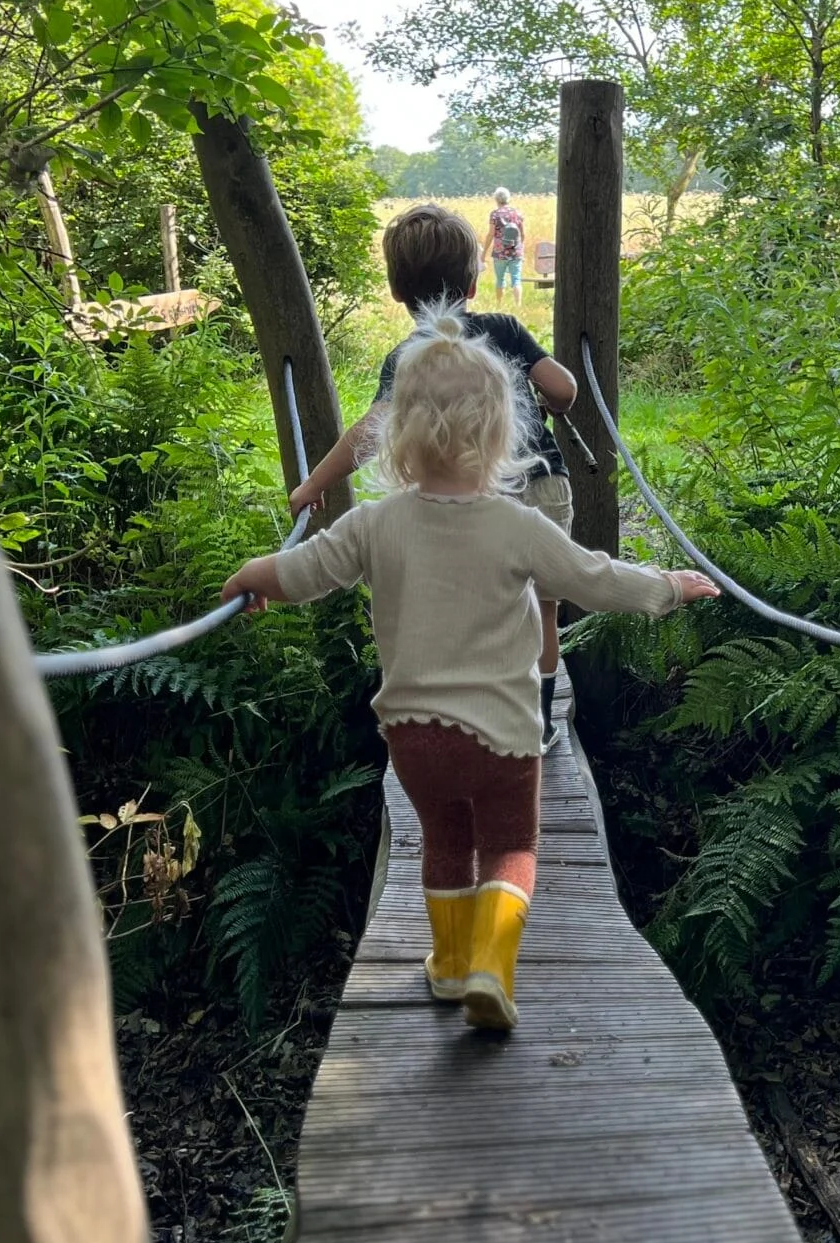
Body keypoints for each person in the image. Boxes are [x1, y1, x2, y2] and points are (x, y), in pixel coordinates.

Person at [221, 311, 718, 1033]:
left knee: (445, 844)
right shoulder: (515, 524)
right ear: (501, 435)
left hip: (415, 740)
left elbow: (304, 571)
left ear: (398, 438)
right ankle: (492, 964)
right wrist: (668, 586)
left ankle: (449, 967)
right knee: (512, 848)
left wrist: (252, 575)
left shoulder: (375, 523)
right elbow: (595, 580)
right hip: (506, 736)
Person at [291, 203, 582, 748]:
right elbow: (564, 391)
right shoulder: (505, 329)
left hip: (469, 502)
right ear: (473, 282)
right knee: (543, 609)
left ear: (398, 291)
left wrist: (314, 485)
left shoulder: (409, 357)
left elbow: (371, 430)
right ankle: (537, 725)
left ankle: (473, 712)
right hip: (543, 483)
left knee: (480, 605)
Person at [483, 188, 525, 306]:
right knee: (516, 279)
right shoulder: (517, 213)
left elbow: (491, 234)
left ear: (496, 199)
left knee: (500, 279)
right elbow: (522, 233)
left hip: (499, 251)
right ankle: (518, 304)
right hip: (515, 251)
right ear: (508, 198)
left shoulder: (495, 214)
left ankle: (499, 304)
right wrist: (521, 248)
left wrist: (484, 252)